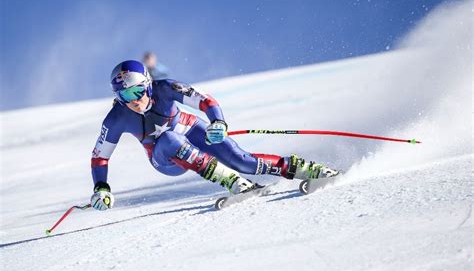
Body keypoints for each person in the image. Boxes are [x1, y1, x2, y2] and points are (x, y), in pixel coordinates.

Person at [90, 60, 339, 211]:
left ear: (147, 84)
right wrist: (102, 187)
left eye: (135, 92)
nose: (131, 101)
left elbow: (204, 100)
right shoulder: (116, 118)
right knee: (168, 140)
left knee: (243, 161)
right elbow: (100, 157)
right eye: (123, 96)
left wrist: (217, 122)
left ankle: (310, 170)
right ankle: (232, 182)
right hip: (164, 158)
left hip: (192, 129)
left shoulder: (165, 88)